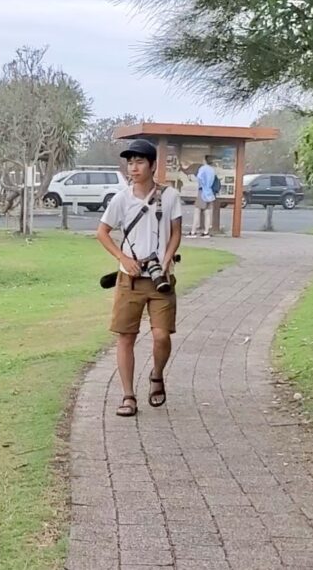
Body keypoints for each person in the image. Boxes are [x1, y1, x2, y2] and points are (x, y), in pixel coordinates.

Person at [96, 139, 183, 417]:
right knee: (126, 337)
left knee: (161, 336)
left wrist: (167, 260)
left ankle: (157, 375)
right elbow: (102, 232)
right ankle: (128, 396)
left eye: (139, 162)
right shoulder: (121, 199)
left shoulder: (170, 197)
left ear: (153, 165)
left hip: (160, 280)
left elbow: (176, 232)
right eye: (130, 162)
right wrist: (124, 259)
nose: (133, 168)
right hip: (129, 280)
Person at [190, 155, 217, 237]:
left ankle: (193, 232)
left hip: (202, 192)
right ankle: (206, 232)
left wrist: (201, 184)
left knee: (197, 211)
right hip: (209, 193)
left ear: (205, 160)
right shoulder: (212, 170)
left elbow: (199, 178)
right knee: (207, 213)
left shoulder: (203, 168)